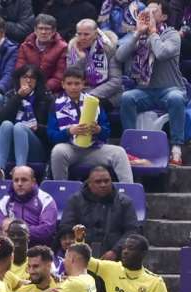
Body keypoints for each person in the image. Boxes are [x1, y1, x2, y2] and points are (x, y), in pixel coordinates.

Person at [118, 0, 187, 165]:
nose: (148, 15)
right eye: (146, 11)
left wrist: (152, 33)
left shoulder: (172, 35)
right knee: (127, 98)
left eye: (153, 12)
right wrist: (136, 34)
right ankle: (130, 147)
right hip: (145, 91)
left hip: (170, 89)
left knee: (176, 98)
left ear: (163, 16)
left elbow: (162, 53)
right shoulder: (139, 36)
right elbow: (120, 56)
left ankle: (176, 148)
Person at [48, 68, 133, 183]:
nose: (73, 87)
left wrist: (98, 130)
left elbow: (106, 131)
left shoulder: (94, 102)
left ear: (83, 84)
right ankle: (62, 189)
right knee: (57, 151)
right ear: (63, 85)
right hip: (70, 149)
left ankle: (128, 193)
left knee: (119, 152)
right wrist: (69, 131)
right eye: (69, 84)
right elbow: (51, 135)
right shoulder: (55, 104)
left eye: (77, 83)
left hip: (93, 149)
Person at [58, 166, 140, 259]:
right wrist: (79, 249)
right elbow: (66, 227)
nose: (103, 184)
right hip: (81, 256)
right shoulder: (75, 201)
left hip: (116, 257)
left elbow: (132, 231)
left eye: (106, 181)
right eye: (98, 182)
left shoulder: (124, 202)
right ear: (89, 184)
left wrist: (115, 251)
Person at [0, 65, 53, 178]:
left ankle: (21, 170)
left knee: (19, 126)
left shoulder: (46, 98)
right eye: (24, 77)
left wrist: (37, 127)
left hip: (36, 147)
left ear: (37, 81)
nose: (28, 80)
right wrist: (18, 97)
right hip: (12, 146)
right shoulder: (11, 95)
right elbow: (0, 118)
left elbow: (52, 131)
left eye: (32, 77)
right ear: (18, 79)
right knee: (6, 124)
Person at [0, 166, 58, 246]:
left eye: (24, 180)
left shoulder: (46, 200)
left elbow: (46, 231)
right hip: (10, 250)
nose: (19, 184)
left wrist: (16, 229)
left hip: (38, 250)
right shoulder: (3, 202)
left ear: (33, 182)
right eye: (16, 180)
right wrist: (27, 230)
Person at [66, 19, 123, 107]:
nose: (82, 37)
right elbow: (71, 77)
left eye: (86, 34)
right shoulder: (73, 49)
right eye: (79, 34)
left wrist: (91, 95)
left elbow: (115, 81)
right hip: (80, 92)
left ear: (95, 35)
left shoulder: (108, 49)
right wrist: (82, 59)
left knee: (88, 106)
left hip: (107, 94)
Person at [15, 14, 67, 94]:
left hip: (51, 91)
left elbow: (59, 76)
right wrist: (28, 86)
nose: (43, 32)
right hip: (26, 88)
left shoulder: (62, 47)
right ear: (35, 30)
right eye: (40, 28)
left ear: (53, 31)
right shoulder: (25, 46)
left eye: (47, 29)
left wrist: (42, 88)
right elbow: (20, 70)